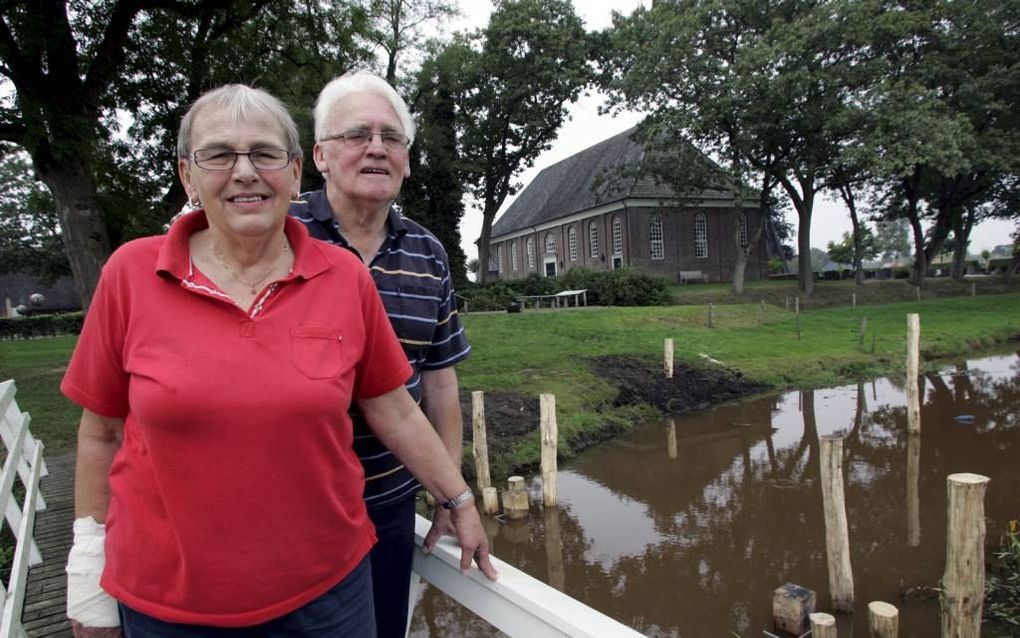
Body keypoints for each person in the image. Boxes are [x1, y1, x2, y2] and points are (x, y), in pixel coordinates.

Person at [63, 83, 496, 638]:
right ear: (186, 175)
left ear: (293, 173)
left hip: (328, 598)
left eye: (264, 154)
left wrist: (456, 498)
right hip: (172, 603)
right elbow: (100, 434)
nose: (245, 171)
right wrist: (87, 573)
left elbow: (399, 408)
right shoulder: (130, 274)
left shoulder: (343, 277)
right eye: (219, 154)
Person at [289, 70, 470, 638]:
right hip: (290, 509)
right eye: (357, 135)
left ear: (408, 161)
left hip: (388, 506)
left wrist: (448, 493)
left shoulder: (428, 252)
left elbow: (440, 386)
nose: (376, 148)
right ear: (319, 154)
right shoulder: (276, 231)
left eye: (391, 138)